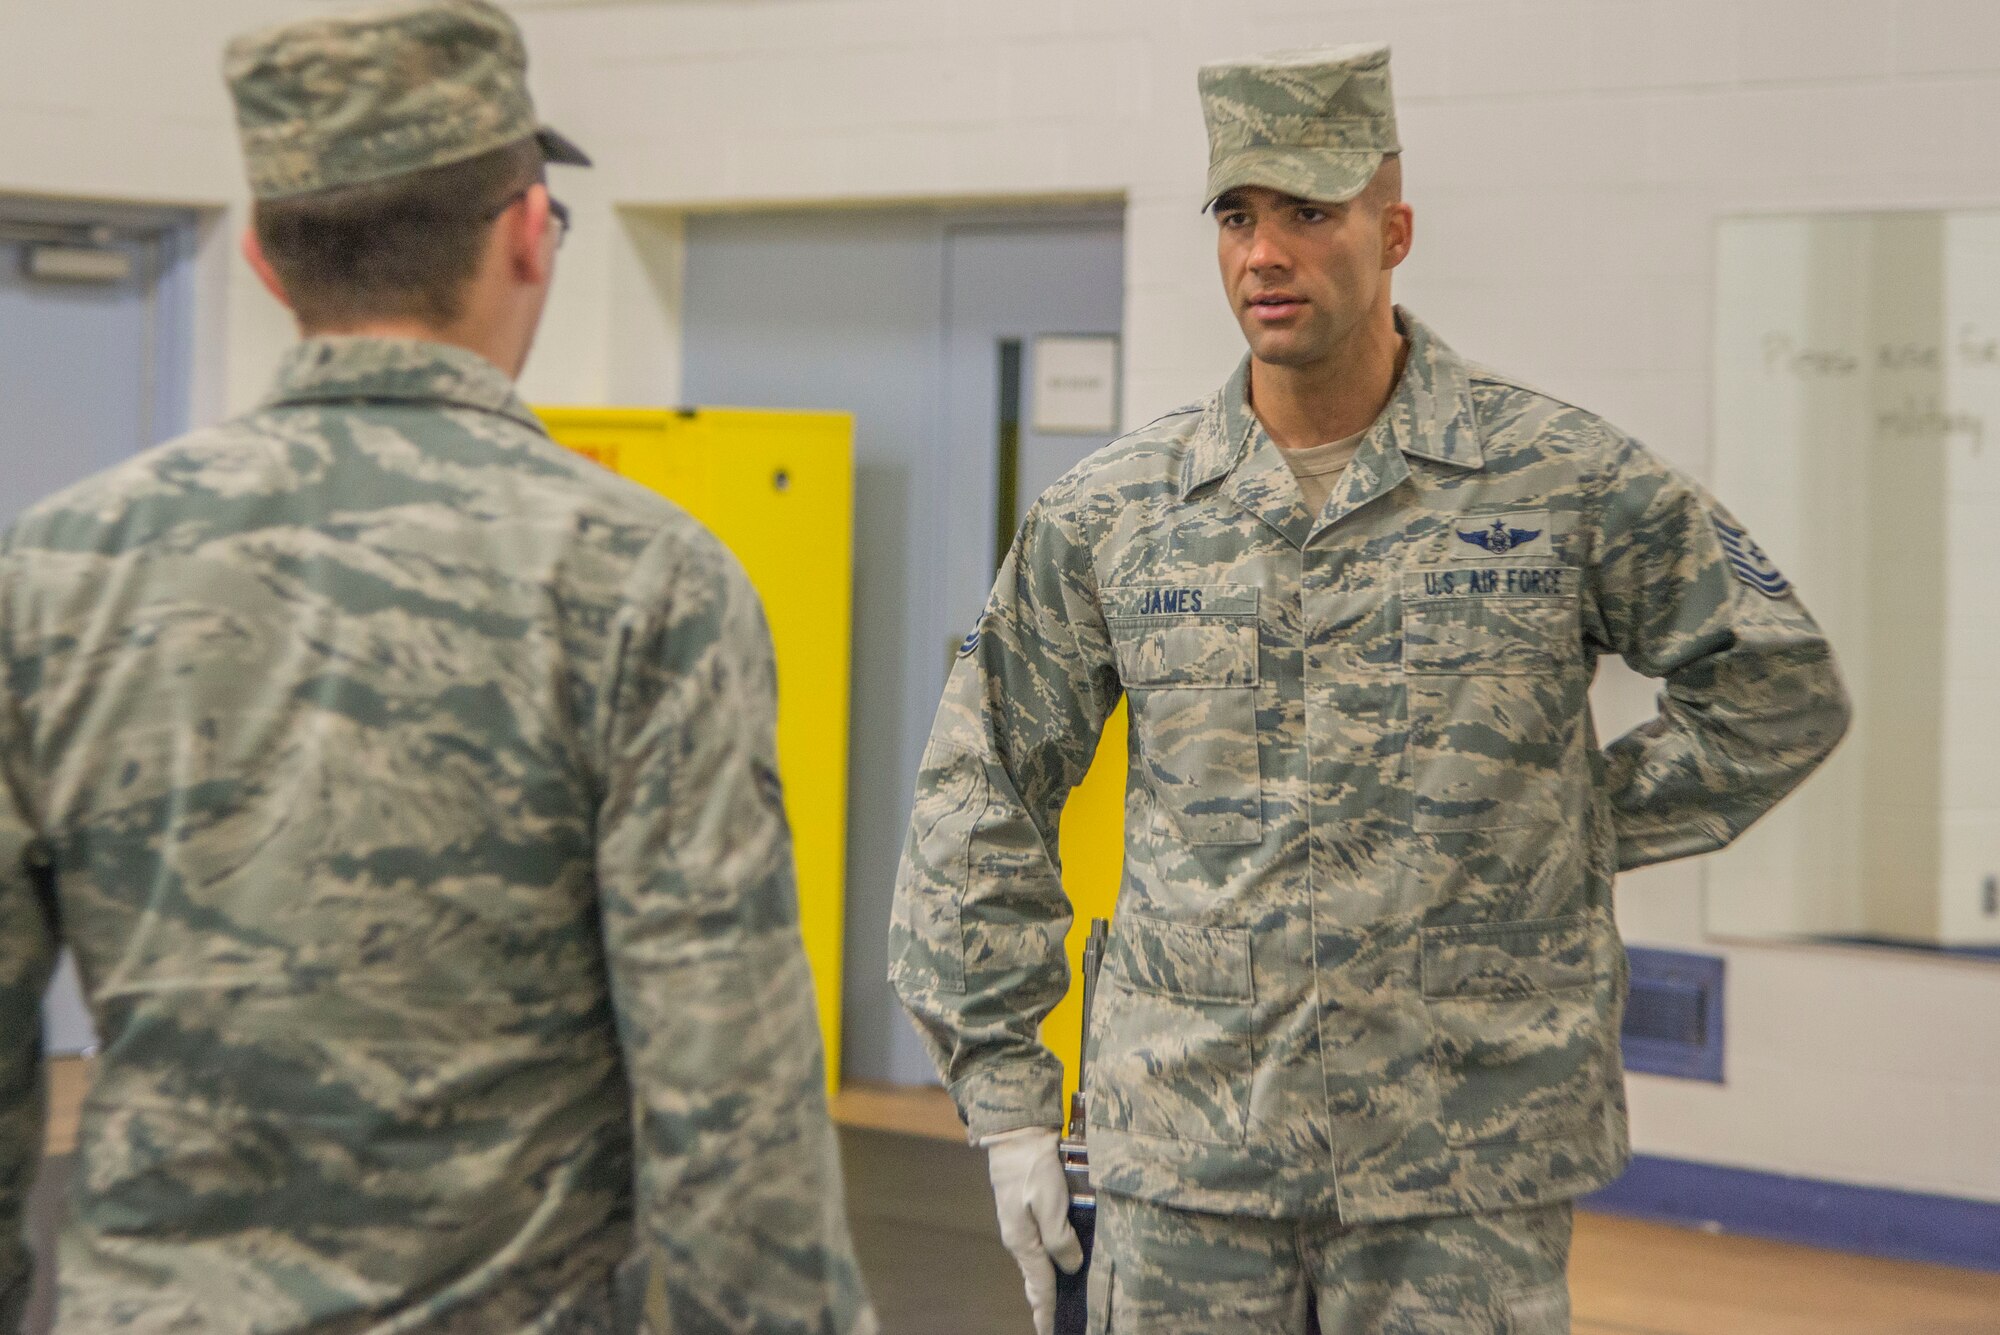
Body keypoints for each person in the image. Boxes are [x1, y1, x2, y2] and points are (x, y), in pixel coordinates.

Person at [890, 41, 1848, 1335]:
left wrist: (1560, 825)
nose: (1264, 254)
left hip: (1462, 1162)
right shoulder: (1119, 510)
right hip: (1189, 1152)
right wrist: (1006, 1103)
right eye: (1237, 215)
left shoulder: (1556, 479)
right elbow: (982, 785)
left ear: (1394, 231)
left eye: (1307, 212)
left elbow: (1776, 684)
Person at [0, 2, 876, 1330]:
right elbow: (726, 1090)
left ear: (265, 259)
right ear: (528, 232)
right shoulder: (641, 577)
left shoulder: (56, 569)